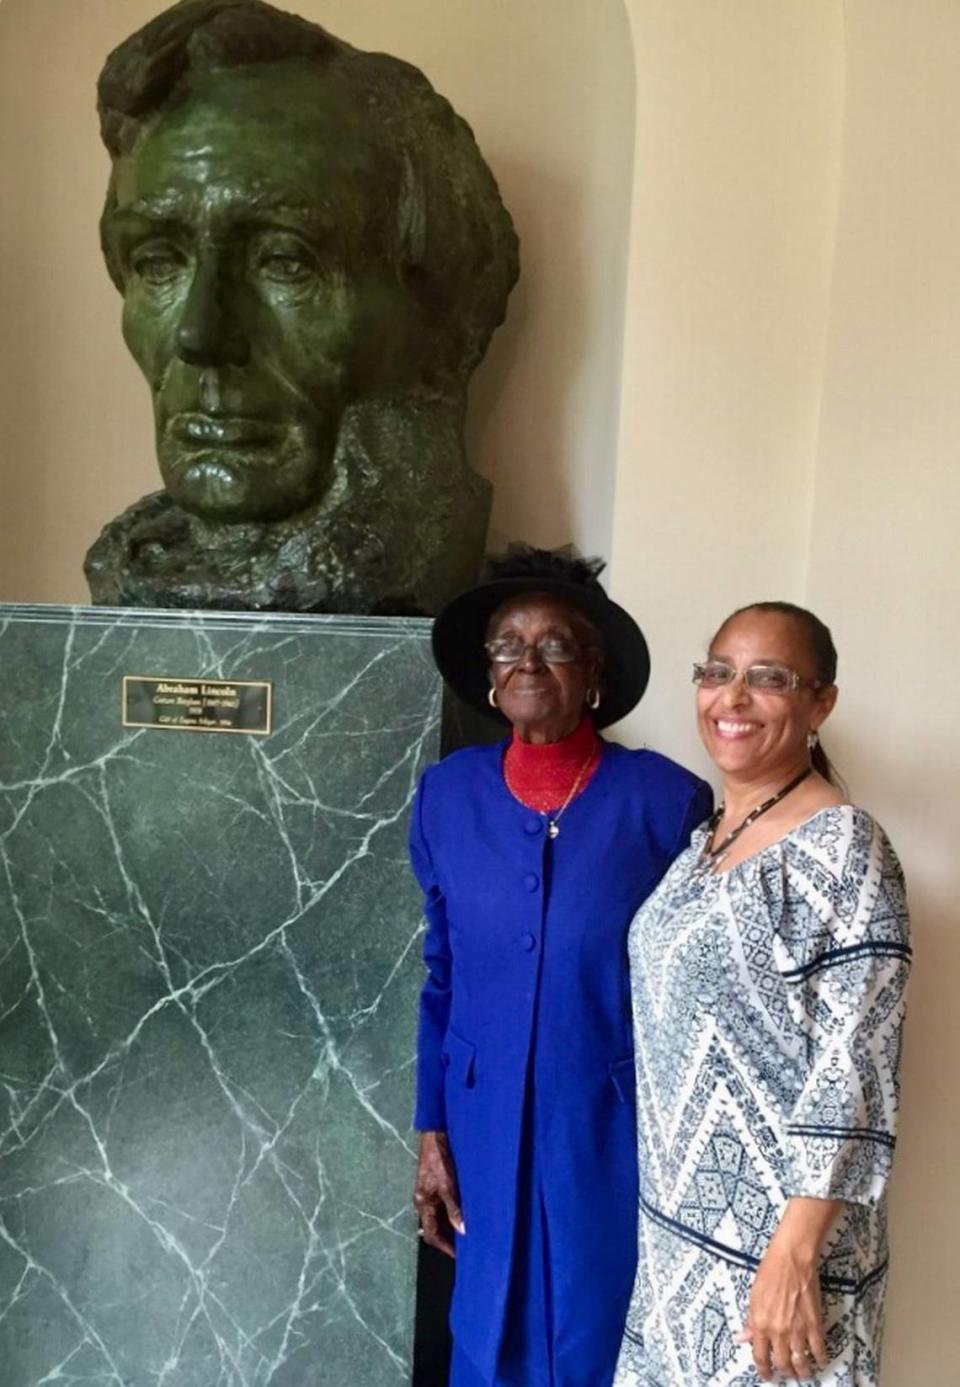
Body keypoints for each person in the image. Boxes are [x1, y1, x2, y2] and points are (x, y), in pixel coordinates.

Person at [86, 0, 518, 612]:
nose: (202, 334)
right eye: (159, 262)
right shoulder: (136, 560)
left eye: (284, 261)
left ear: (436, 313)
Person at [410, 545, 714, 1387]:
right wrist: (429, 1129)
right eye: (509, 644)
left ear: (594, 673)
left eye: (555, 643)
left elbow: (692, 986)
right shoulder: (446, 795)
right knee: (484, 1326)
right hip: (478, 1120)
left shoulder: (667, 802)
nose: (528, 660)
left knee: (598, 1324)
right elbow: (442, 973)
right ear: (488, 672)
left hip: (609, 1124)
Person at [614, 601, 911, 1387]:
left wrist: (792, 1257)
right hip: (679, 1246)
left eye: (768, 678)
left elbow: (857, 1068)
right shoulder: (700, 846)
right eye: (718, 672)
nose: (732, 697)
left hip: (779, 1262)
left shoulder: (846, 847)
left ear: (821, 702)